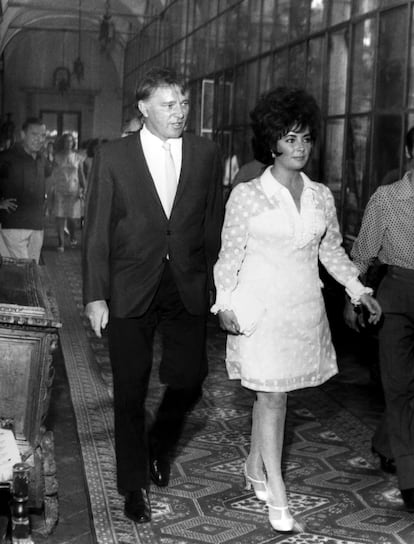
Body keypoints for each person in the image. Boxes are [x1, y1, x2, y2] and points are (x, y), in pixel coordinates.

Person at [211, 87, 381, 533]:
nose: (300, 147)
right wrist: (223, 302)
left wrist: (357, 289)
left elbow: (332, 252)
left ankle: (253, 464)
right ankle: (278, 492)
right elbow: (229, 255)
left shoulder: (322, 196)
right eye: (290, 139)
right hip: (260, 311)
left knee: (276, 394)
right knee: (271, 397)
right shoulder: (247, 194)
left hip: (303, 310)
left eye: (305, 138)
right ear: (272, 143)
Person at [82, 67, 223, 524]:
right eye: (169, 104)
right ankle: (133, 486)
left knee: (190, 378)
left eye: (184, 103)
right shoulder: (114, 156)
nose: (180, 112)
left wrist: (215, 284)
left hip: (185, 281)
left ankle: (160, 441)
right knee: (129, 389)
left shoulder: (205, 153)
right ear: (143, 108)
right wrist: (95, 295)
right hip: (129, 284)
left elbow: (210, 225)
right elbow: (97, 229)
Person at [345, 132, 414, 512]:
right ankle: (410, 476)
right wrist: (350, 297)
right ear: (408, 151)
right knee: (399, 386)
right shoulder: (386, 199)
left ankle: (388, 442)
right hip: (397, 298)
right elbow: (362, 255)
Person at [0, 117, 50, 263]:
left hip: (37, 225)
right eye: (34, 134)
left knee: (30, 269)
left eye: (42, 135)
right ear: (22, 135)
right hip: (13, 224)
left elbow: (48, 179)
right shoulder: (6, 158)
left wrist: (46, 199)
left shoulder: (42, 158)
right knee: (24, 270)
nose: (39, 139)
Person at [49, 132, 86, 251]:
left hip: (73, 190)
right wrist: (51, 188)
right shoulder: (57, 157)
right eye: (66, 141)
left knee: (71, 218)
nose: (68, 143)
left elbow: (81, 174)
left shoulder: (77, 157)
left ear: (73, 143)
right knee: (60, 216)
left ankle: (72, 236)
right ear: (63, 143)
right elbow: (53, 174)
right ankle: (61, 243)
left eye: (70, 141)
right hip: (60, 189)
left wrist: (84, 188)